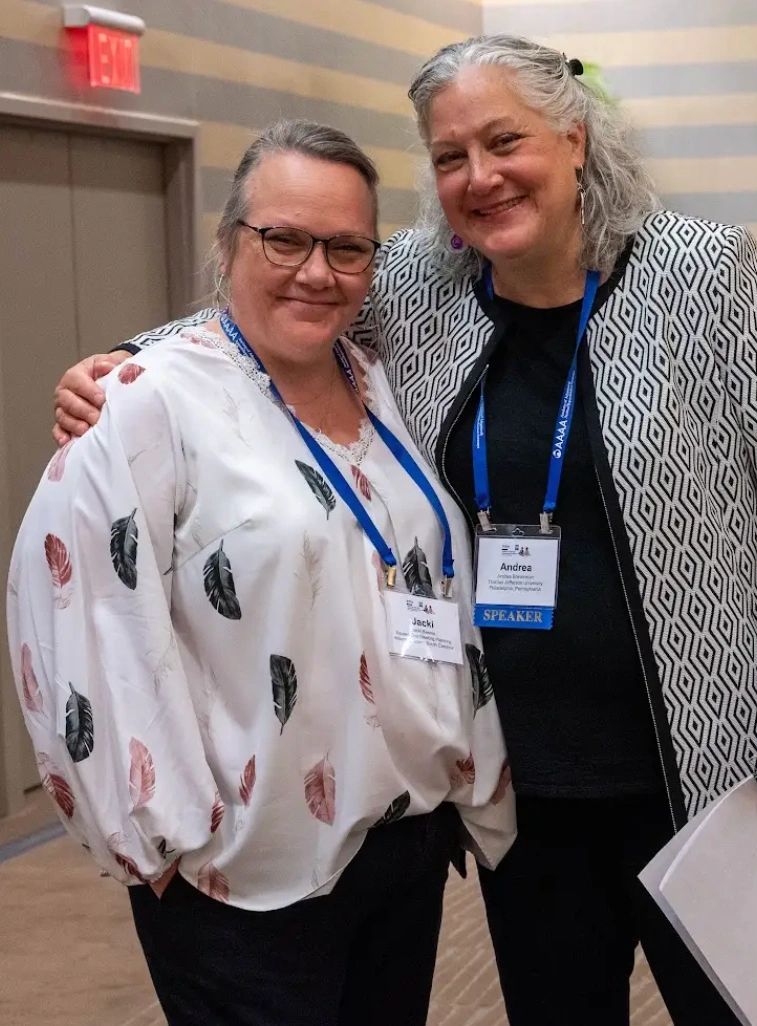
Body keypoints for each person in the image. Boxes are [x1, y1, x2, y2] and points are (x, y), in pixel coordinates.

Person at [50, 35, 757, 1026]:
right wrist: (121, 361)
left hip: (707, 766)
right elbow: (270, 308)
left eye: (504, 141)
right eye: (450, 156)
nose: (480, 177)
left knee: (741, 1013)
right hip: (522, 782)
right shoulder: (417, 281)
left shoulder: (702, 272)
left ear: (574, 139)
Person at [10, 119, 514, 1026]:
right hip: (243, 872)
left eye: (347, 248)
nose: (317, 271)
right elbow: (81, 619)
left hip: (400, 842)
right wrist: (165, 840)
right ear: (228, 242)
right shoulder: (143, 404)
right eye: (284, 239)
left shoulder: (376, 379)